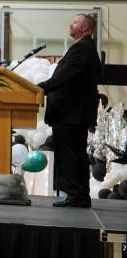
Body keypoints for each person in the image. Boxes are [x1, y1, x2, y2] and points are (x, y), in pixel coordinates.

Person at [39, 13, 103, 208]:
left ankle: (76, 195)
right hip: (72, 114)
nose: (70, 24)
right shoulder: (84, 48)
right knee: (75, 155)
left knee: (70, 156)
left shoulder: (82, 49)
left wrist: (40, 88)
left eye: (75, 22)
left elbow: (63, 78)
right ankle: (79, 195)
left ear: (85, 28)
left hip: (71, 115)